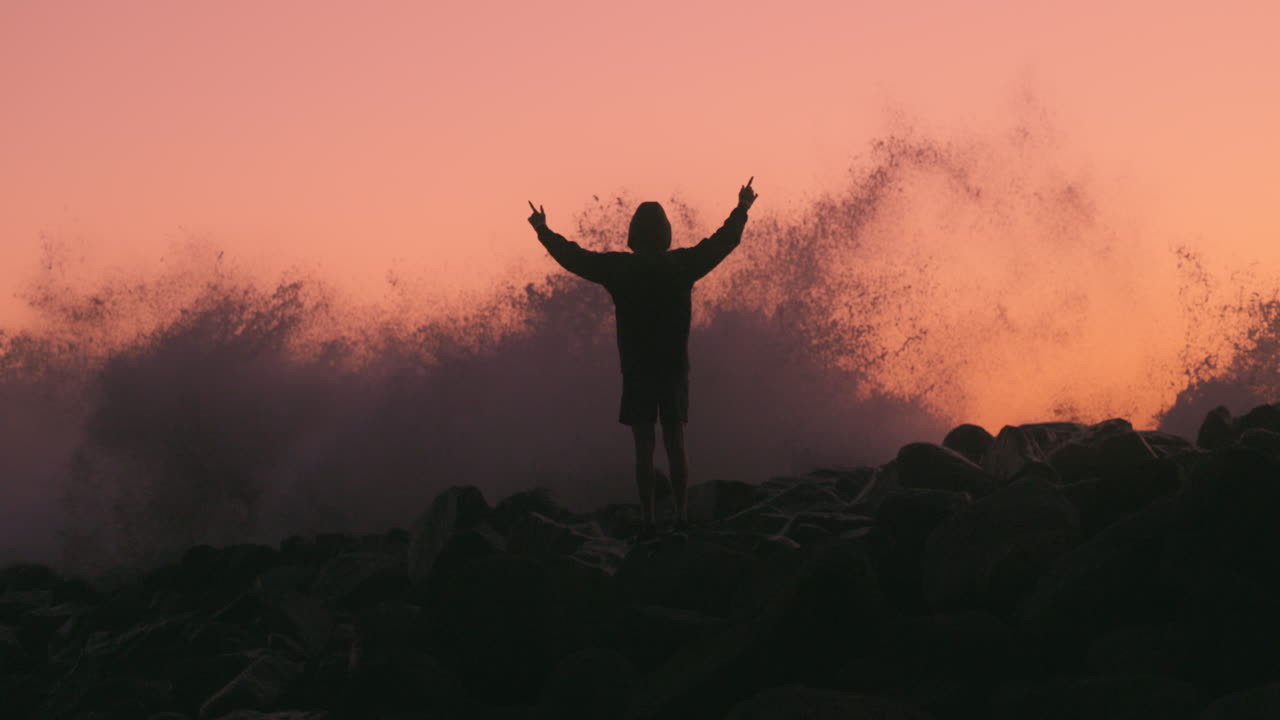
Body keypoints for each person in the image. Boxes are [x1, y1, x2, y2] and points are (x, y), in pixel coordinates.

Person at [528, 178, 757, 540]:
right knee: (675, 443)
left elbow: (574, 257)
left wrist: (543, 230)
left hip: (637, 369)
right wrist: (742, 207)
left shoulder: (620, 268)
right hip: (673, 368)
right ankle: (681, 517)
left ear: (633, 235)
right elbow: (723, 241)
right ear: (665, 234)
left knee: (643, 447)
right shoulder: (682, 264)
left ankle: (649, 522)